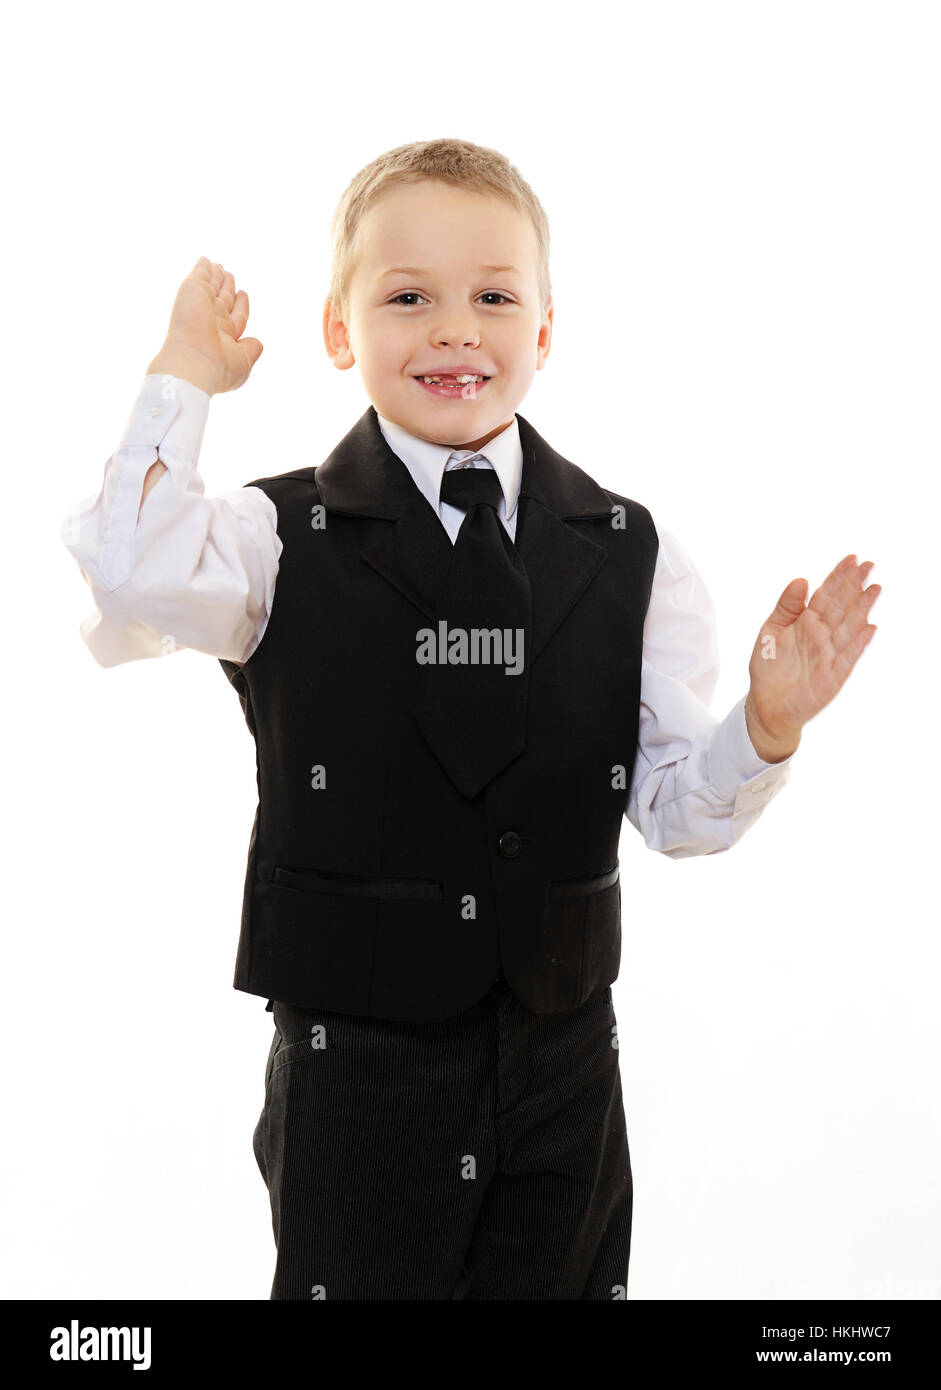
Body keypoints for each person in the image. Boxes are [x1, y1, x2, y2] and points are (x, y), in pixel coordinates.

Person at [60, 137, 879, 1300]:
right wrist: (183, 370)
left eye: (493, 296)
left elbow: (676, 811)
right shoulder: (268, 538)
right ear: (340, 332)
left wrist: (767, 721)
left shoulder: (626, 550)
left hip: (562, 1066)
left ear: (544, 331)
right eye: (407, 297)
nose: (454, 329)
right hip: (359, 1064)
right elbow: (131, 571)